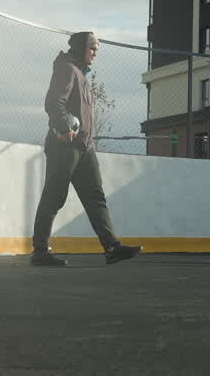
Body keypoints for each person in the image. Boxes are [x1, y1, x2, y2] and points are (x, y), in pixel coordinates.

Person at [30, 31, 142, 267]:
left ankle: (112, 247)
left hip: (84, 147)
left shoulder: (81, 73)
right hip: (65, 146)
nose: (95, 53)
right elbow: (53, 101)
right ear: (80, 47)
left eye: (97, 49)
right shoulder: (68, 69)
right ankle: (40, 252)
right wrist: (62, 126)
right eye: (92, 48)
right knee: (54, 197)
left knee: (95, 197)